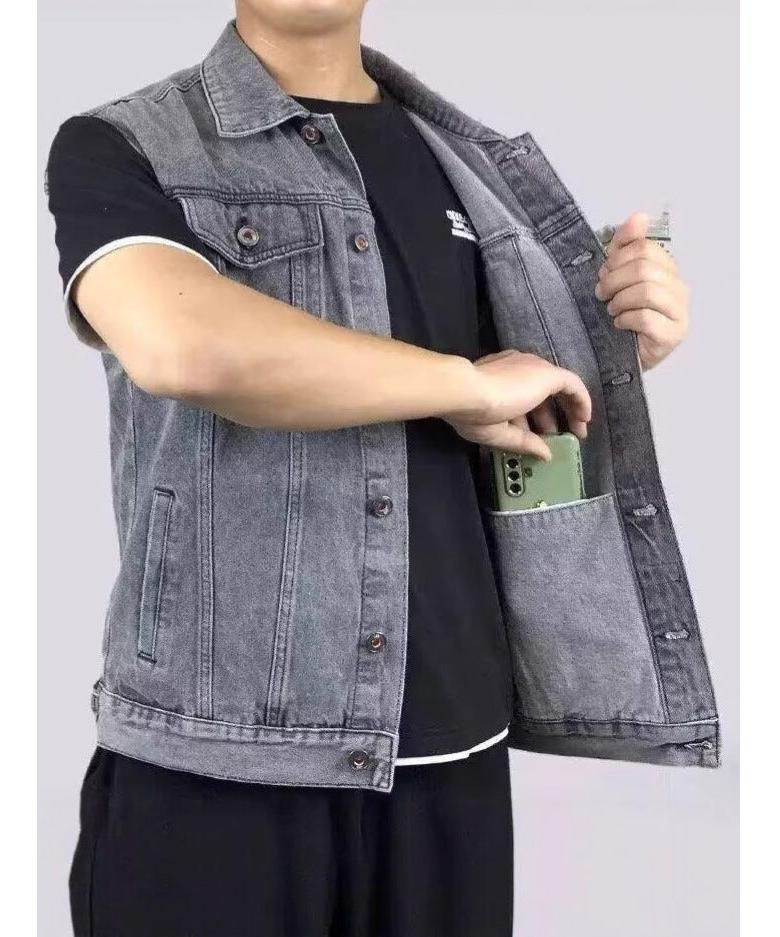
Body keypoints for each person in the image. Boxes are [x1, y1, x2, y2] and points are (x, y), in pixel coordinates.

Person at [45, 2, 714, 935]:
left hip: (453, 758)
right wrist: (460, 382)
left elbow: (520, 416)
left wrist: (611, 349)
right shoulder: (126, 143)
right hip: (218, 757)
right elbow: (181, 344)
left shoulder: (473, 168)